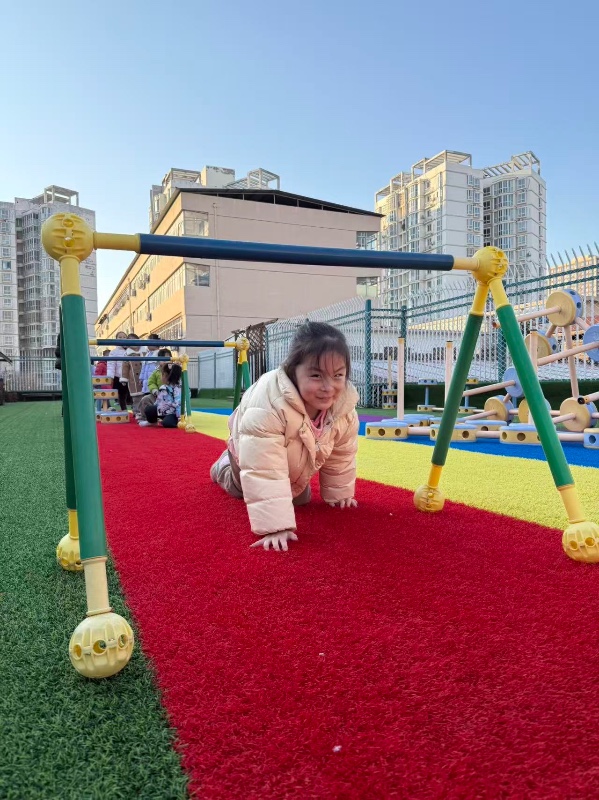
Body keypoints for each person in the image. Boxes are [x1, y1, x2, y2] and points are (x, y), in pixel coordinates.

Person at [210, 321, 359, 552]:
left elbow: (341, 454)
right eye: (316, 375)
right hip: (251, 448)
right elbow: (263, 467)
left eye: (338, 375)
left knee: (300, 498)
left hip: (292, 454)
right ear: (293, 371)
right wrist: (275, 526)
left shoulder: (344, 408)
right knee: (241, 489)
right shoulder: (269, 403)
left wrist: (339, 494)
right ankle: (223, 467)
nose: (328, 387)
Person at [139, 362, 182, 429]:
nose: (161, 377)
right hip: (162, 411)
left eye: (162, 374)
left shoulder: (177, 388)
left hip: (173, 413)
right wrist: (154, 407)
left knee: (167, 423)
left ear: (167, 376)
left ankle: (173, 421)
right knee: (149, 409)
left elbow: (178, 404)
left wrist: (179, 417)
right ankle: (152, 422)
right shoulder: (163, 387)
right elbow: (159, 400)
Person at [122, 332, 144, 418]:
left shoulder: (144, 352)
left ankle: (145, 412)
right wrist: (124, 378)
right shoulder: (127, 354)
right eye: (131, 341)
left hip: (144, 378)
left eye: (135, 340)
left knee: (145, 396)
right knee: (136, 397)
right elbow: (125, 367)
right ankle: (137, 412)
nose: (133, 343)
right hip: (134, 379)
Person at [107, 331, 129, 411]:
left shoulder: (130, 350)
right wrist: (110, 376)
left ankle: (134, 410)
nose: (122, 339)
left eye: (124, 337)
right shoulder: (114, 352)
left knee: (131, 394)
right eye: (120, 337)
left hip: (130, 376)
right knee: (122, 394)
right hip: (119, 376)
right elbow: (111, 365)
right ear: (116, 339)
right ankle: (124, 409)